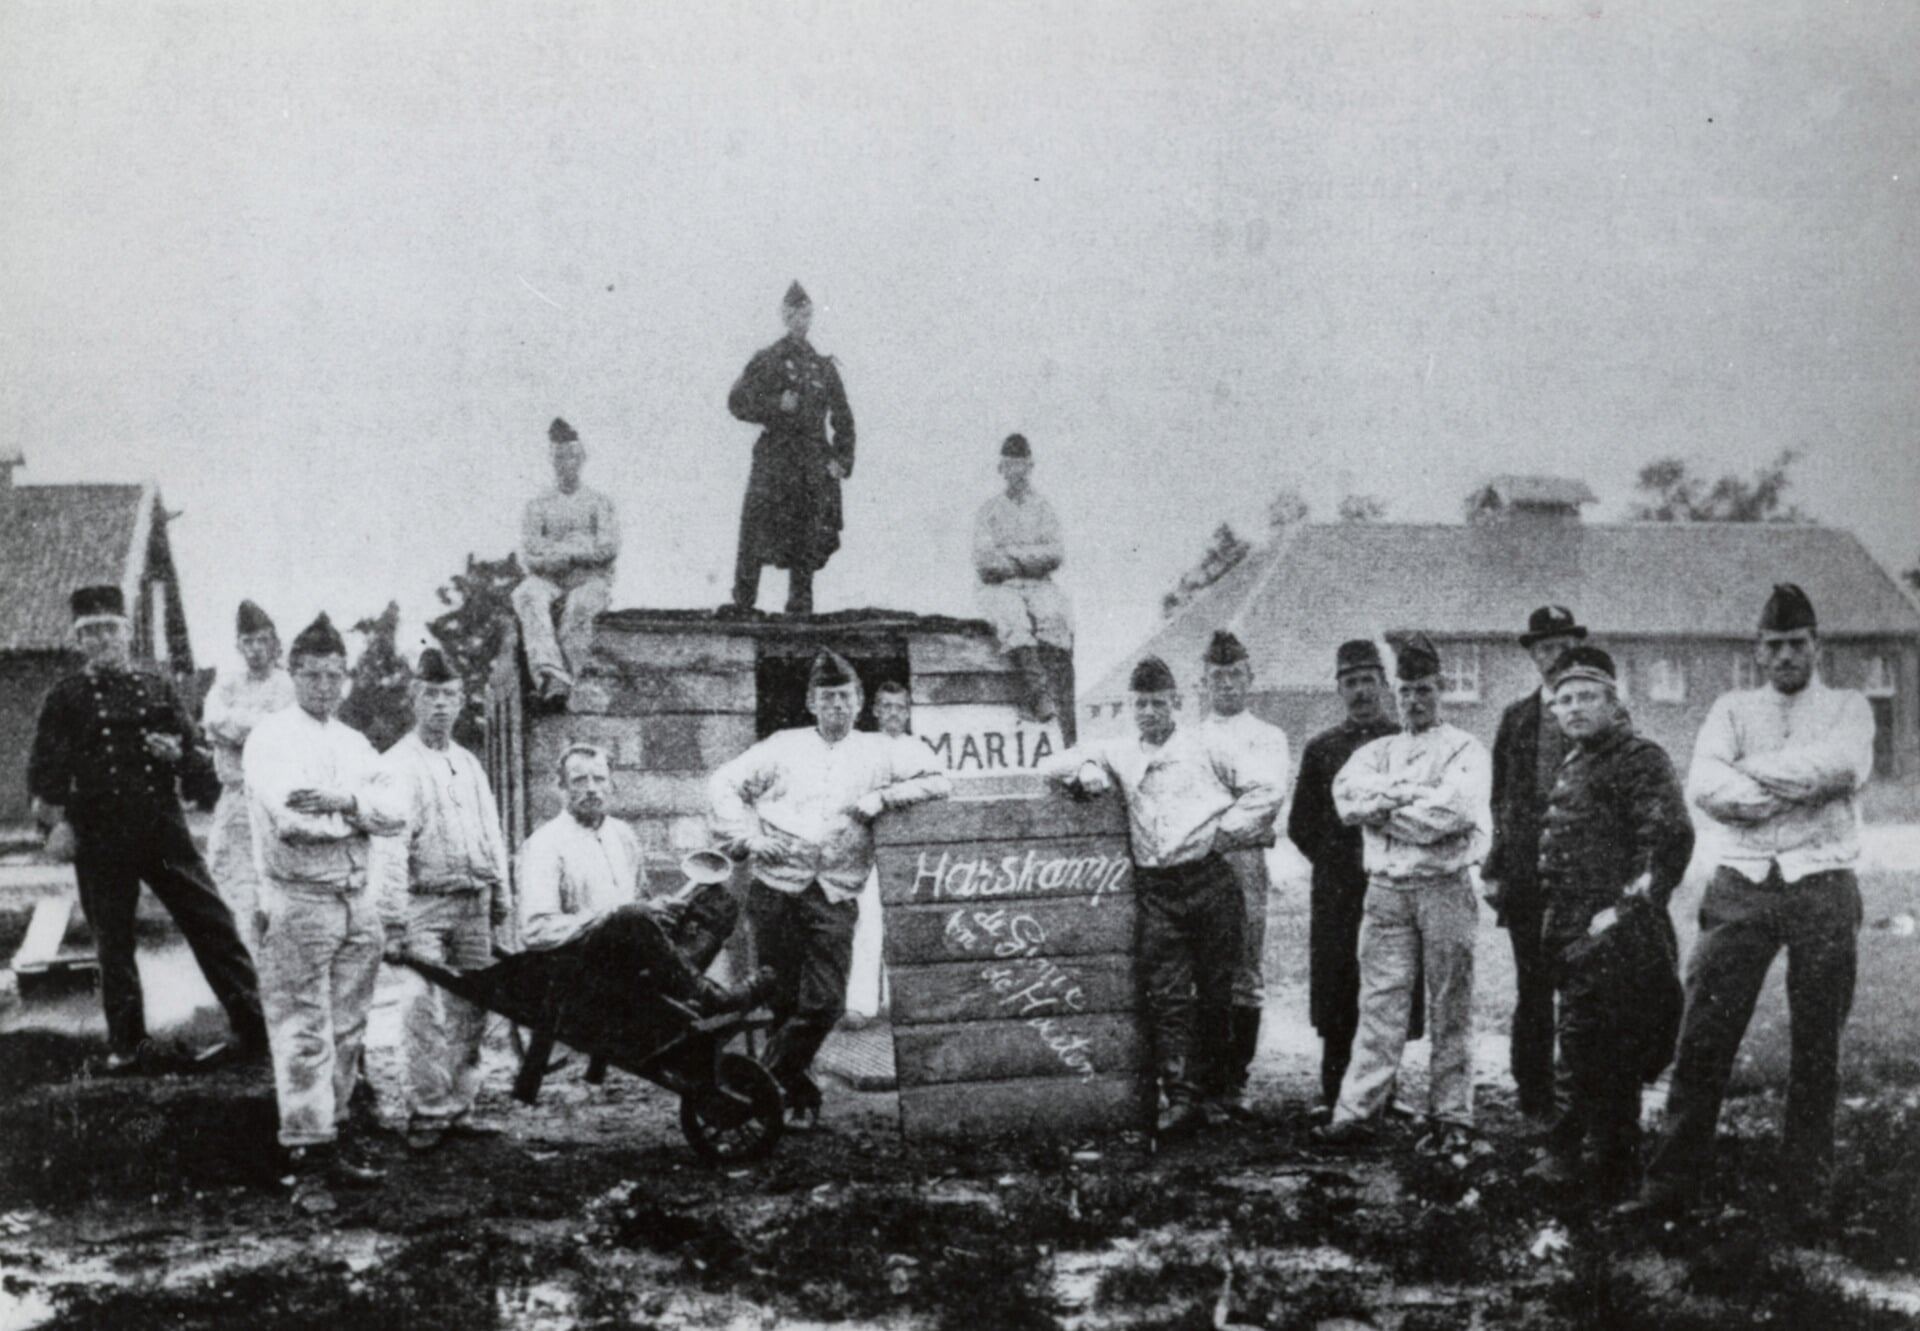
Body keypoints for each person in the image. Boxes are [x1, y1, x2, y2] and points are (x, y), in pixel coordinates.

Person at [1620, 584, 1875, 1225]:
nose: (1786, 655)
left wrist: (1753, 769)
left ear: (1817, 646)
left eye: (1797, 644)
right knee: (1704, 1033)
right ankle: (1671, 1185)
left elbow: (1841, 769)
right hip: (1741, 882)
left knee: (1818, 1042)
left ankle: (1804, 1191)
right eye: (1774, 645)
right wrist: (1792, 781)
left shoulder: (1849, 707)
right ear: (1758, 651)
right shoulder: (1731, 707)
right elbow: (1705, 782)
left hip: (1823, 879)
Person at [27, 585, 267, 1074]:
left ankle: (255, 1025)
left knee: (213, 924)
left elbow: (200, 765)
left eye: (109, 630)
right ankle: (128, 1045)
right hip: (100, 836)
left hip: (163, 831)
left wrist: (178, 753)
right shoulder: (66, 697)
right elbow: (44, 776)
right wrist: (58, 824)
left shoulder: (157, 687)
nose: (101, 641)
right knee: (113, 944)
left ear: (126, 632)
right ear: (80, 641)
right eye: (90, 633)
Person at [1047, 654, 1286, 1138]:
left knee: (1217, 992)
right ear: (1130, 707)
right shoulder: (1121, 751)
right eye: (1141, 704)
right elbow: (1054, 762)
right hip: (1158, 889)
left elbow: (1267, 788)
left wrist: (1226, 832)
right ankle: (1180, 1098)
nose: (1150, 713)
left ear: (1176, 703)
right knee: (1169, 994)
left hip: (1209, 880)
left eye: (1158, 703)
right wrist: (1087, 771)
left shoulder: (1206, 745)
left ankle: (1218, 1094)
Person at [709, 649, 950, 1121]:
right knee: (782, 997)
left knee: (825, 1002)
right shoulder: (782, 746)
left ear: (859, 703)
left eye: (845, 697)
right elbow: (723, 785)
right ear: (811, 702)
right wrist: (749, 837)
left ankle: (762, 1079)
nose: (837, 706)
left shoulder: (879, 752)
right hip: (774, 890)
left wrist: (883, 797)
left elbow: (939, 781)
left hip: (834, 893)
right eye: (827, 698)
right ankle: (796, 1098)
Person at [1521, 646, 1693, 1201]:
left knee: (1610, 1043)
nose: (1573, 708)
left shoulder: (1641, 758)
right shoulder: (1576, 760)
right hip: (1573, 925)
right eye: (1563, 700)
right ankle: (1583, 1158)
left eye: (1586, 697)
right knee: (1579, 1038)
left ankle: (1593, 1161)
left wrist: (1619, 912)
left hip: (1622, 928)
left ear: (1613, 703)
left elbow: (1666, 841)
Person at [244, 612, 407, 1199]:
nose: (326, 687)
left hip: (355, 902)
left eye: (336, 675)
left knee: (349, 1027)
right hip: (300, 900)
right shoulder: (272, 737)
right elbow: (293, 820)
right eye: (313, 675)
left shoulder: (354, 741)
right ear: (293, 674)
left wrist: (344, 802)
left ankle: (334, 1138)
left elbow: (397, 812)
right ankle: (305, 1159)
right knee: (302, 1030)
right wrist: (360, 816)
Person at [1315, 634, 1491, 1150]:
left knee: (1449, 1003)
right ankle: (1358, 1113)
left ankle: (1453, 1116)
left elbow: (1453, 814)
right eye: (1407, 691)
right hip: (1387, 891)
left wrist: (1386, 811)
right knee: (1380, 1004)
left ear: (1441, 691)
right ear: (1397, 693)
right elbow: (1347, 803)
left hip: (1444, 887)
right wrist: (1411, 796)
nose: (1415, 701)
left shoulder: (1465, 747)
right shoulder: (1377, 751)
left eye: (1425, 690)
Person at [376, 648, 513, 1152]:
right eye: (430, 695)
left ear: (462, 702)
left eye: (450, 695)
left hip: (474, 902)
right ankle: (427, 1110)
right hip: (423, 905)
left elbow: (491, 833)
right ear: (413, 698)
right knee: (419, 1007)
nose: (440, 705)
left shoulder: (468, 762)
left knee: (471, 1010)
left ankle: (461, 1106)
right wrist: (391, 922)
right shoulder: (396, 765)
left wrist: (501, 897)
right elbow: (388, 850)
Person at [518, 745, 768, 1014]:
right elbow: (536, 930)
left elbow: (640, 903)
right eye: (579, 780)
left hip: (633, 956)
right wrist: (616, 914)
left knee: (719, 901)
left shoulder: (622, 834)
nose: (592, 788)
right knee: (631, 915)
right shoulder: (545, 844)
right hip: (580, 969)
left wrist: (659, 908)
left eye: (599, 779)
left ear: (611, 784)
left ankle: (677, 994)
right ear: (561, 787)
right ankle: (708, 997)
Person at [1287, 639, 1407, 1115]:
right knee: (1339, 988)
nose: (1361, 691)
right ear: (1339, 689)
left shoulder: (1404, 743)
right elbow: (1300, 824)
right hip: (1338, 893)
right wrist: (1337, 862)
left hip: (1394, 885)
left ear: (1383, 685)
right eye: (1351, 682)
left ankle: (1384, 1093)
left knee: (1389, 988)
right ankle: (1335, 1090)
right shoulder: (1322, 749)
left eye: (1368, 681)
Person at [1482, 605, 1589, 1127]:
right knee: (1532, 985)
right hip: (1528, 876)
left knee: (1585, 980)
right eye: (1545, 648)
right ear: (1532, 656)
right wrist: (1497, 867)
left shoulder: (1598, 712)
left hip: (1582, 877)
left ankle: (1582, 1088)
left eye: (1563, 645)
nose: (1555, 656)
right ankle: (1533, 1092)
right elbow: (1501, 799)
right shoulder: (1517, 718)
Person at [1194, 631, 1292, 1112]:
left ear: (1250, 678)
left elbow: (1266, 800)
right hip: (1195, 864)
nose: (1227, 685)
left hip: (1243, 860)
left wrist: (1216, 823)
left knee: (1244, 964)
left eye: (1235, 675)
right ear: (1203, 683)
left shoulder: (1267, 736)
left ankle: (1236, 1079)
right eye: (1217, 676)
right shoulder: (1189, 737)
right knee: (1200, 964)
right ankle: (1202, 1079)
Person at [722, 281, 856, 618]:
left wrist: (841, 459)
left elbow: (843, 417)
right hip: (776, 458)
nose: (801, 319)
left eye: (807, 313)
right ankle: (743, 600)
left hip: (812, 460)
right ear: (784, 315)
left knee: (807, 530)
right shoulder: (768, 359)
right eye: (794, 313)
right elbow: (737, 402)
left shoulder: (822, 367)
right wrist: (774, 404)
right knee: (757, 525)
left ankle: (801, 606)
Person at [202, 599, 296, 957]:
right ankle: (244, 971)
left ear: (273, 643)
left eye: (262, 641)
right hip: (235, 797)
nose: (256, 649)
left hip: (274, 798)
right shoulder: (226, 684)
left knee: (276, 885)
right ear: (238, 646)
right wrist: (256, 723)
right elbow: (212, 721)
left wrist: (239, 728)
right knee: (232, 879)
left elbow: (278, 732)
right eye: (248, 642)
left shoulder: (286, 685)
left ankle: (281, 971)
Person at [511, 417, 620, 706]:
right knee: (527, 594)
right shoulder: (539, 505)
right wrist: (567, 554)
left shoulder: (598, 502)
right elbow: (531, 554)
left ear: (581, 458)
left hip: (590, 579)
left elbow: (607, 548)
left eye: (571, 456)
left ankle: (570, 682)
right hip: (551, 578)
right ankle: (550, 675)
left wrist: (568, 554)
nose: (565, 463)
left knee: (581, 606)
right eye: (559, 457)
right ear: (552, 460)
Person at [973, 433, 1075, 737]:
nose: (1016, 472)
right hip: (1000, 585)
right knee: (1012, 618)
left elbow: (1055, 553)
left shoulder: (1042, 508)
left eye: (1022, 466)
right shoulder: (989, 511)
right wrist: (1028, 559)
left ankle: (1058, 699)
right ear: (1001, 469)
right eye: (1009, 466)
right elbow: (985, 561)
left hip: (1037, 583)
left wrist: (1012, 555)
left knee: (1054, 615)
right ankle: (1037, 693)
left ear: (1030, 467)